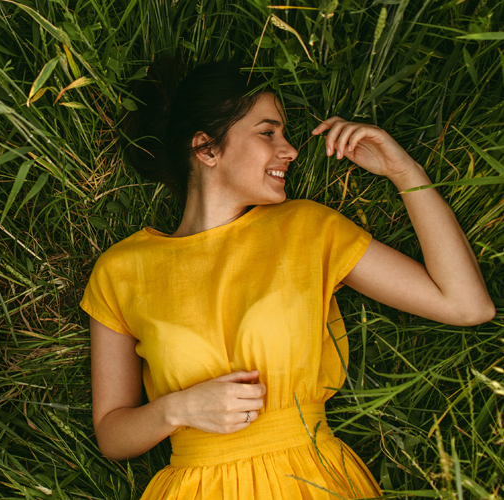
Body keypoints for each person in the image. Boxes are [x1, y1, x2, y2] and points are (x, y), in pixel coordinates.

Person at [79, 61, 495, 499]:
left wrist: (404, 172)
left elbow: (467, 305)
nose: (290, 149)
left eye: (285, 133)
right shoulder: (121, 270)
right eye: (267, 133)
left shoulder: (308, 229)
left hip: (310, 479)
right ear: (206, 148)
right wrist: (175, 409)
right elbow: (112, 435)